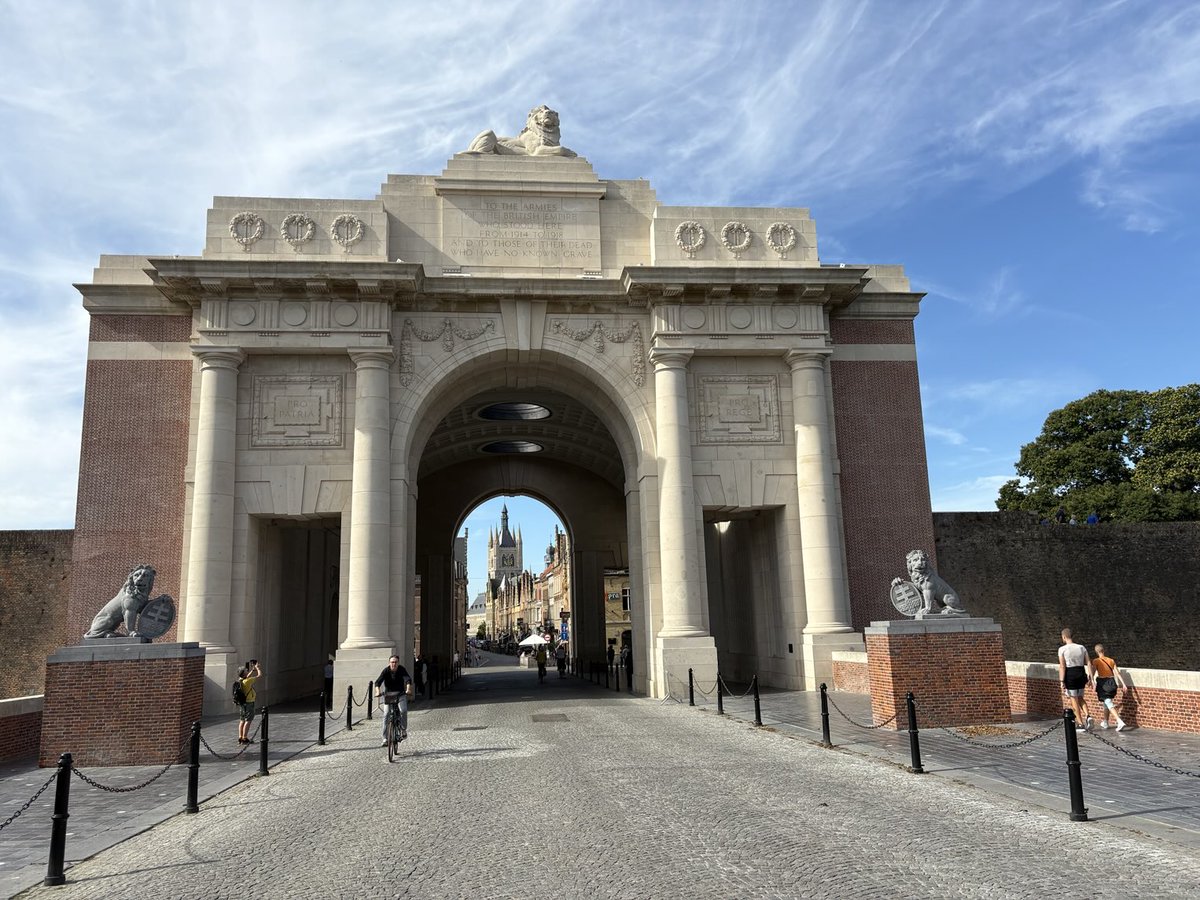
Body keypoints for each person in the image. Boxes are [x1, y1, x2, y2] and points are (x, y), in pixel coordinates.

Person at [1058, 629, 1093, 731]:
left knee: (1074, 699)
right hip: (1081, 673)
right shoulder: (1081, 647)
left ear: (1064, 637)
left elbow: (1062, 666)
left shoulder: (1062, 649)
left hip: (1070, 674)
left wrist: (1061, 681)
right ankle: (1088, 716)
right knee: (1080, 697)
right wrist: (1091, 678)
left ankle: (1080, 723)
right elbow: (1089, 663)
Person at [375, 655, 413, 746]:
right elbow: (378, 682)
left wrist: (408, 689)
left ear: (398, 663)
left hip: (400, 694)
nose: (394, 664)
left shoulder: (401, 669)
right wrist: (377, 692)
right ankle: (384, 738)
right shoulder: (386, 671)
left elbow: (408, 679)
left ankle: (403, 729)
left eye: (395, 662)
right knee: (386, 715)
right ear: (389, 663)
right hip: (389, 695)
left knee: (403, 711)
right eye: (392, 662)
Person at [1092, 643, 1128, 731]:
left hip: (1103, 683)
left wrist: (1092, 682)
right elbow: (1117, 673)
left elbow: (1092, 673)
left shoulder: (1096, 661)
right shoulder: (1111, 660)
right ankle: (1105, 722)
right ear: (1103, 650)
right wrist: (1123, 684)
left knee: (1108, 702)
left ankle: (1119, 721)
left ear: (1096, 652)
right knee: (1106, 703)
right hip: (1112, 682)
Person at [238, 660, 262, 744]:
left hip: (242, 703)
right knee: (248, 720)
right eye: (246, 671)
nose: (247, 672)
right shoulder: (248, 681)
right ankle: (245, 738)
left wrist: (252, 670)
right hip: (249, 703)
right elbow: (259, 676)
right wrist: (257, 668)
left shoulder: (240, 680)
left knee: (242, 720)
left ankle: (240, 737)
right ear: (244, 674)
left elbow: (247, 676)